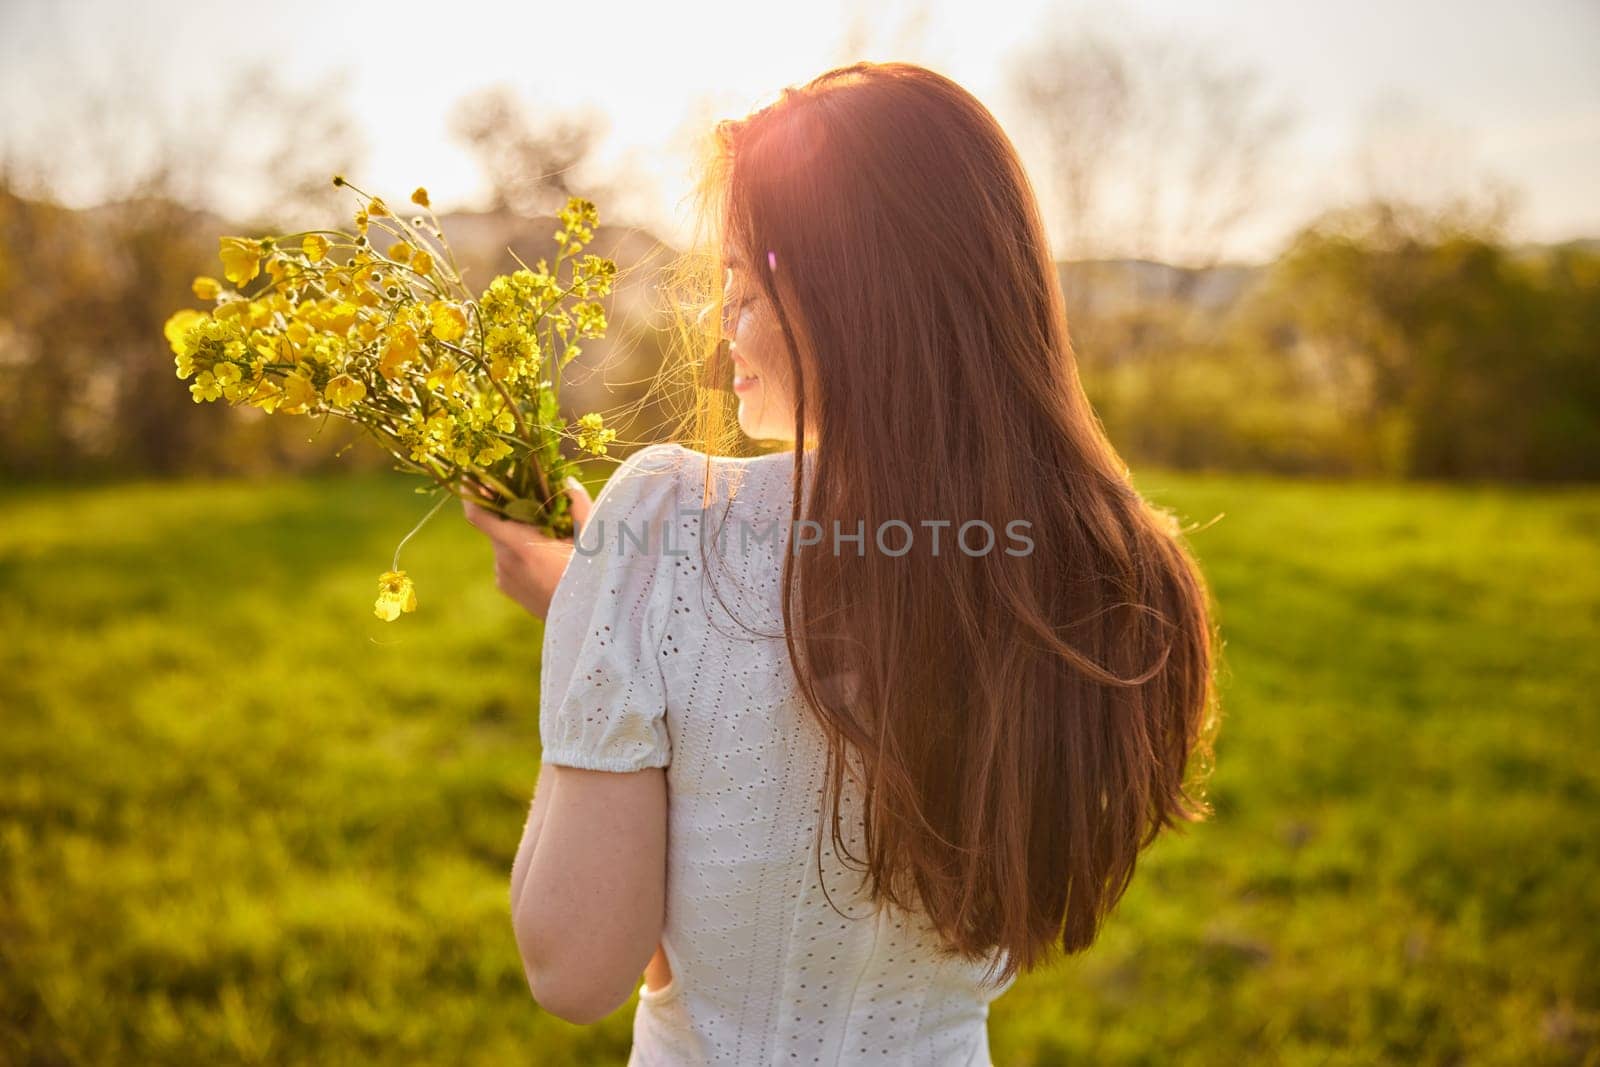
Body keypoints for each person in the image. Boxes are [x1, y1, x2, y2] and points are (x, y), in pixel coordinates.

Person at [463, 60, 1222, 1066]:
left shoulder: (665, 513)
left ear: (838, 287)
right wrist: (608, 603)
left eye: (739, 281)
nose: (719, 320)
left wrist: (595, 623)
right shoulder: (1122, 570)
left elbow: (577, 967)